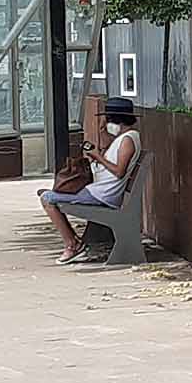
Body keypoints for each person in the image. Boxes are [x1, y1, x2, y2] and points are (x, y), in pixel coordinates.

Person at [39, 96, 140, 265]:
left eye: (107, 120)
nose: (106, 123)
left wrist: (97, 157)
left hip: (103, 195)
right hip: (98, 191)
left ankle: (73, 245)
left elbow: (119, 171)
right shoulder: (124, 138)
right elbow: (111, 153)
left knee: (47, 199)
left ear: (116, 120)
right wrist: (102, 133)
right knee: (50, 193)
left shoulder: (128, 140)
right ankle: (76, 242)